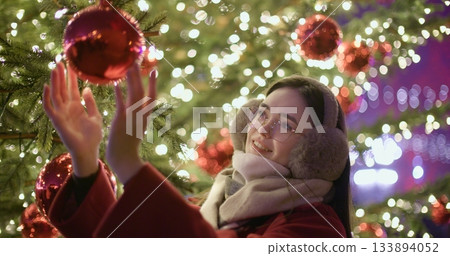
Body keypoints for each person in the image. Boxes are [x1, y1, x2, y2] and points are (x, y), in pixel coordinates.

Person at [43, 61, 351, 238]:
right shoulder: (215, 204)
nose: (263, 128)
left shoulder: (315, 229)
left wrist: (128, 164)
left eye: (285, 123)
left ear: (315, 152)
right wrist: (86, 162)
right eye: (263, 113)